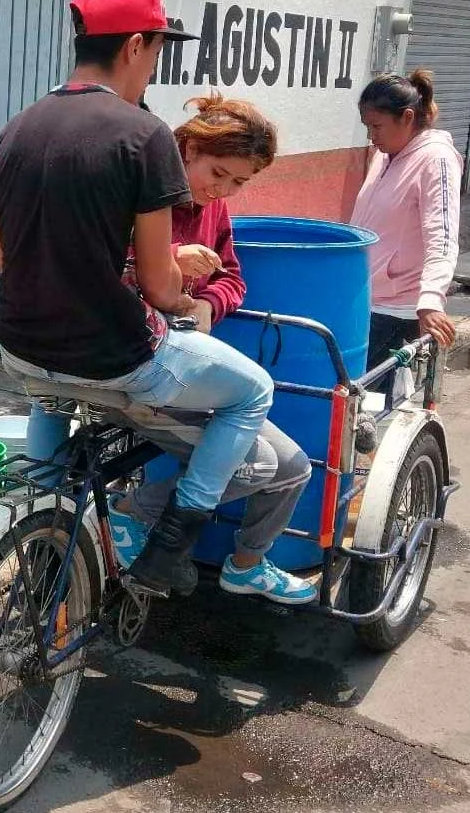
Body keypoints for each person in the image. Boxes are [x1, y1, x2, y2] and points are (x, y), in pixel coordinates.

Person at [0, 0, 276, 598]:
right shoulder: (145, 136)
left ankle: (41, 516)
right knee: (254, 390)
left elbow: (2, 254)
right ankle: (168, 547)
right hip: (113, 354)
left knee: (52, 394)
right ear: (136, 45)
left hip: (19, 345)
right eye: (158, 50)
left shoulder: (15, 129)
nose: (154, 67)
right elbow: (158, 286)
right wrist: (189, 297)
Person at [112, 95, 317, 605]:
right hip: (138, 362)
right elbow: (100, 267)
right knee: (257, 463)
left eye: (238, 182)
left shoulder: (215, 209)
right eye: (217, 173)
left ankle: (246, 565)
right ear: (188, 148)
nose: (221, 190)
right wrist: (168, 259)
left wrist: (207, 304)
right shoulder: (143, 191)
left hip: (189, 359)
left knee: (295, 466)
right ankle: (130, 513)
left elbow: (232, 278)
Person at [351, 70, 462, 371]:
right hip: (367, 301)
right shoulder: (385, 155)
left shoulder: (436, 159)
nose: (372, 137)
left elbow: (442, 235)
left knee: (373, 394)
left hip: (398, 311)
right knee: (355, 393)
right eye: (367, 127)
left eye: (377, 126)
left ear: (407, 117)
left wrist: (431, 300)